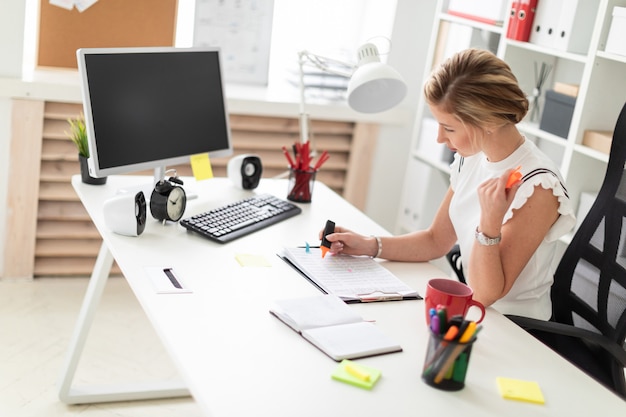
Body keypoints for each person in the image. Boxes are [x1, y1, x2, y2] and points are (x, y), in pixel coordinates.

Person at [324, 48, 576, 320]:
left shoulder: (538, 184)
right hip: (475, 313)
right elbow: (436, 240)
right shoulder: (473, 157)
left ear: (487, 122)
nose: (440, 139)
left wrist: (490, 224)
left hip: (515, 326)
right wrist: (369, 245)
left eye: (450, 128)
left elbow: (485, 293)